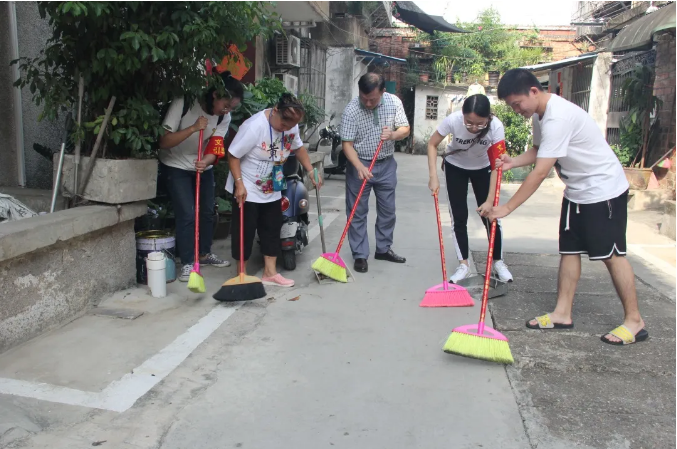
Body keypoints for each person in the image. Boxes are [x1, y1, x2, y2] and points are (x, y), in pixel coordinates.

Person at [486, 68, 647, 346]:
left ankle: (635, 321)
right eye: (512, 106)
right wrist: (514, 162)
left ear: (534, 91)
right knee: (570, 251)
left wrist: (507, 207)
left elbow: (540, 172)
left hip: (603, 190)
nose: (516, 110)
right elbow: (539, 150)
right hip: (577, 191)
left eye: (517, 104)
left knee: (612, 255)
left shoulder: (558, 117)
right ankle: (562, 313)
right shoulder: (540, 114)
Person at [225, 93, 322, 287]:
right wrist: (239, 183)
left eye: (290, 126)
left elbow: (298, 148)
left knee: (271, 229)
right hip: (248, 187)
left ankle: (270, 273)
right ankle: (241, 275)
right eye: (283, 125)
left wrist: (311, 170)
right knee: (244, 231)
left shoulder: (291, 125)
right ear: (276, 111)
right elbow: (233, 155)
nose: (286, 129)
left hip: (272, 186)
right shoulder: (254, 127)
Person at [159, 71, 243, 282]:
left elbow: (216, 146)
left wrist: (205, 161)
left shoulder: (224, 116)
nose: (228, 110)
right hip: (176, 164)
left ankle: (204, 254)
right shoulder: (185, 102)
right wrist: (194, 128)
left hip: (201, 166)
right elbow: (164, 141)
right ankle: (188, 262)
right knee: (187, 214)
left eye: (232, 108)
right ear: (215, 94)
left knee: (207, 212)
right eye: (226, 104)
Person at [427, 94, 514, 283]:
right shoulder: (453, 120)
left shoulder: (496, 127)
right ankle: (463, 265)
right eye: (469, 123)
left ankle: (498, 262)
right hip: (455, 167)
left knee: (491, 216)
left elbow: (498, 164)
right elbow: (432, 144)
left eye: (480, 124)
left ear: (488, 118)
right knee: (459, 217)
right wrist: (433, 177)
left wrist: (490, 200)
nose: (474, 128)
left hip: (483, 168)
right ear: (462, 115)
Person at [340, 73, 410, 274]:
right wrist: (359, 167)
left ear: (383, 92)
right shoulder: (351, 110)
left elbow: (405, 128)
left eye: (372, 99)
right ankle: (360, 255)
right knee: (357, 212)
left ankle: (383, 248)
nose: (368, 103)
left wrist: (394, 135)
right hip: (360, 163)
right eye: (364, 98)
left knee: (388, 211)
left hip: (386, 164)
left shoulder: (393, 102)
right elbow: (347, 144)